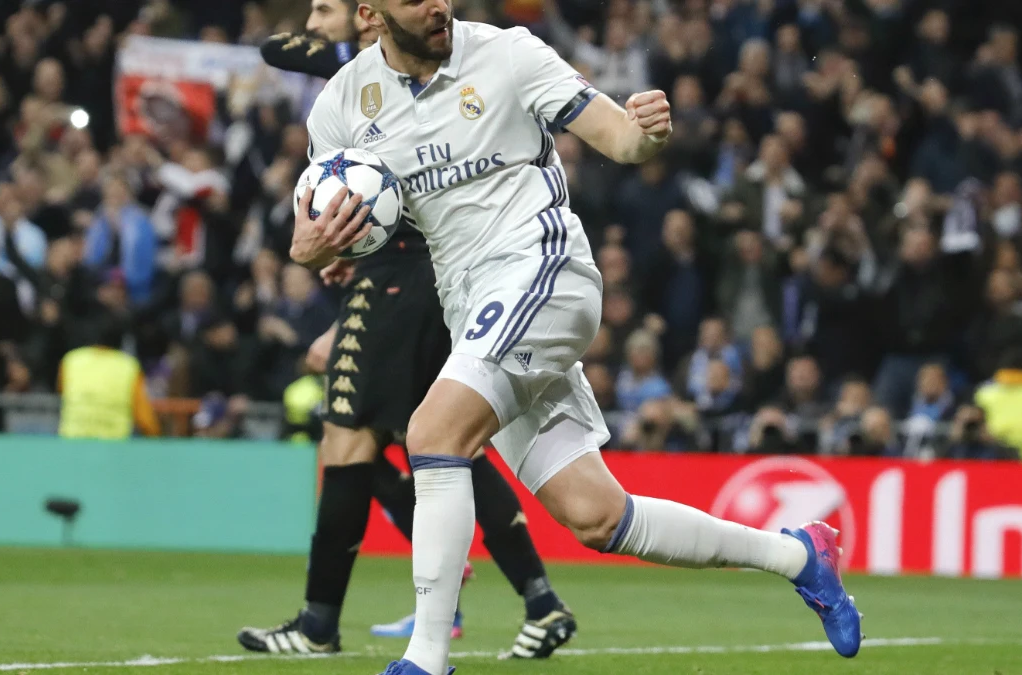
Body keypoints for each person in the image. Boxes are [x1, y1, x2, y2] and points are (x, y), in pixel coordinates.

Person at [294, 2, 863, 674]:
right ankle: (800, 554)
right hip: (471, 305)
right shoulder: (340, 106)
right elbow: (325, 221)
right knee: (597, 516)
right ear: (372, 12)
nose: (436, 5)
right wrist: (313, 246)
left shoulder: (508, 54)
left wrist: (646, 133)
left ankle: (426, 659)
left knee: (432, 433)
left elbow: (620, 138)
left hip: (543, 269)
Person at [236, 0, 577, 659]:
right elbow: (280, 49)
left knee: (349, 438)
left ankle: (319, 623)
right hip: (418, 277)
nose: (312, 22)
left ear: (369, 18)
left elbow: (276, 47)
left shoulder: (402, 71)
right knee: (444, 441)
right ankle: (537, 597)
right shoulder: (365, 92)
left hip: (410, 281)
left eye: (325, 9)